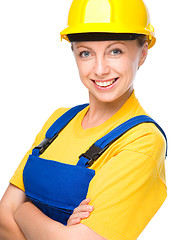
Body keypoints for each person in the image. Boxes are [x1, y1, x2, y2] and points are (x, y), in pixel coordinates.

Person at [0, 0, 167, 239]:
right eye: (86, 53)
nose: (100, 69)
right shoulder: (59, 121)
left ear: (142, 54)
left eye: (115, 51)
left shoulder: (142, 141)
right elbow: (3, 218)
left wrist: (24, 210)